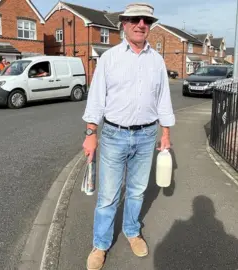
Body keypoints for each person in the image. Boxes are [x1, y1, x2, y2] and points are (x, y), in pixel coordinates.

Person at [81, 3, 175, 269]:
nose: (141, 24)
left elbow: (163, 100)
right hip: (113, 134)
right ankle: (100, 244)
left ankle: (132, 231)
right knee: (109, 195)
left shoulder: (156, 60)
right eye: (135, 19)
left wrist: (165, 133)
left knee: (136, 192)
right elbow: (97, 99)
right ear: (124, 23)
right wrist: (91, 133)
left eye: (146, 20)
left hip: (147, 136)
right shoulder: (110, 58)